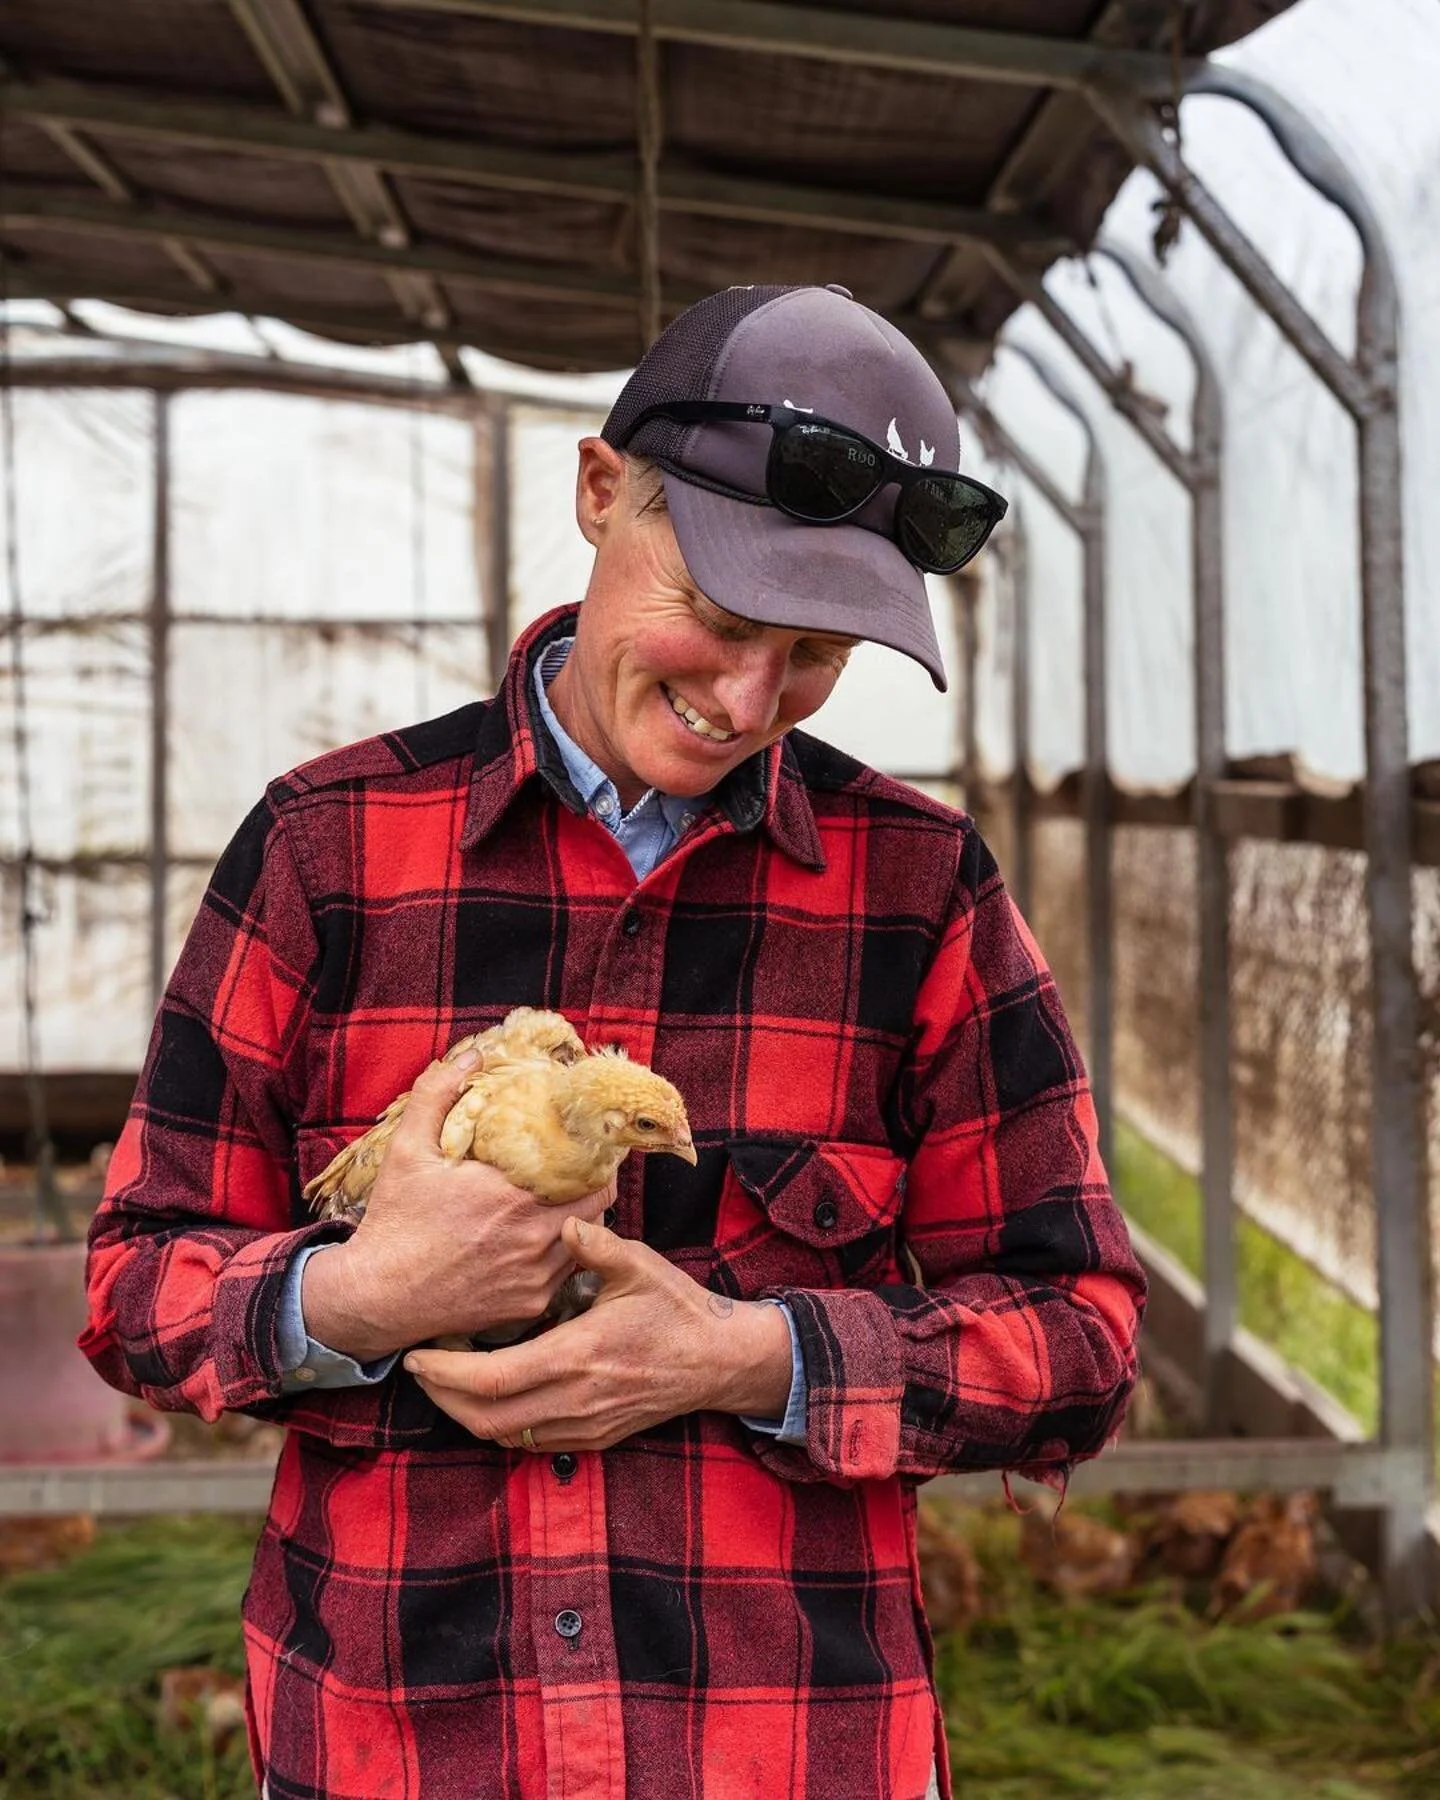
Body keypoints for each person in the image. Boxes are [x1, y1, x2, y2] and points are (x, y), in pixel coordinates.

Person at [82, 283, 1145, 1800]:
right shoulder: (333, 852)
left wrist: (746, 1357)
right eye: (715, 621)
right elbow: (135, 1286)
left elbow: (1084, 1340)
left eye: (815, 656)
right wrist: (357, 1296)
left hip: (789, 1753)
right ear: (597, 493)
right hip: (401, 1744)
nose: (746, 699)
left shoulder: (918, 893)